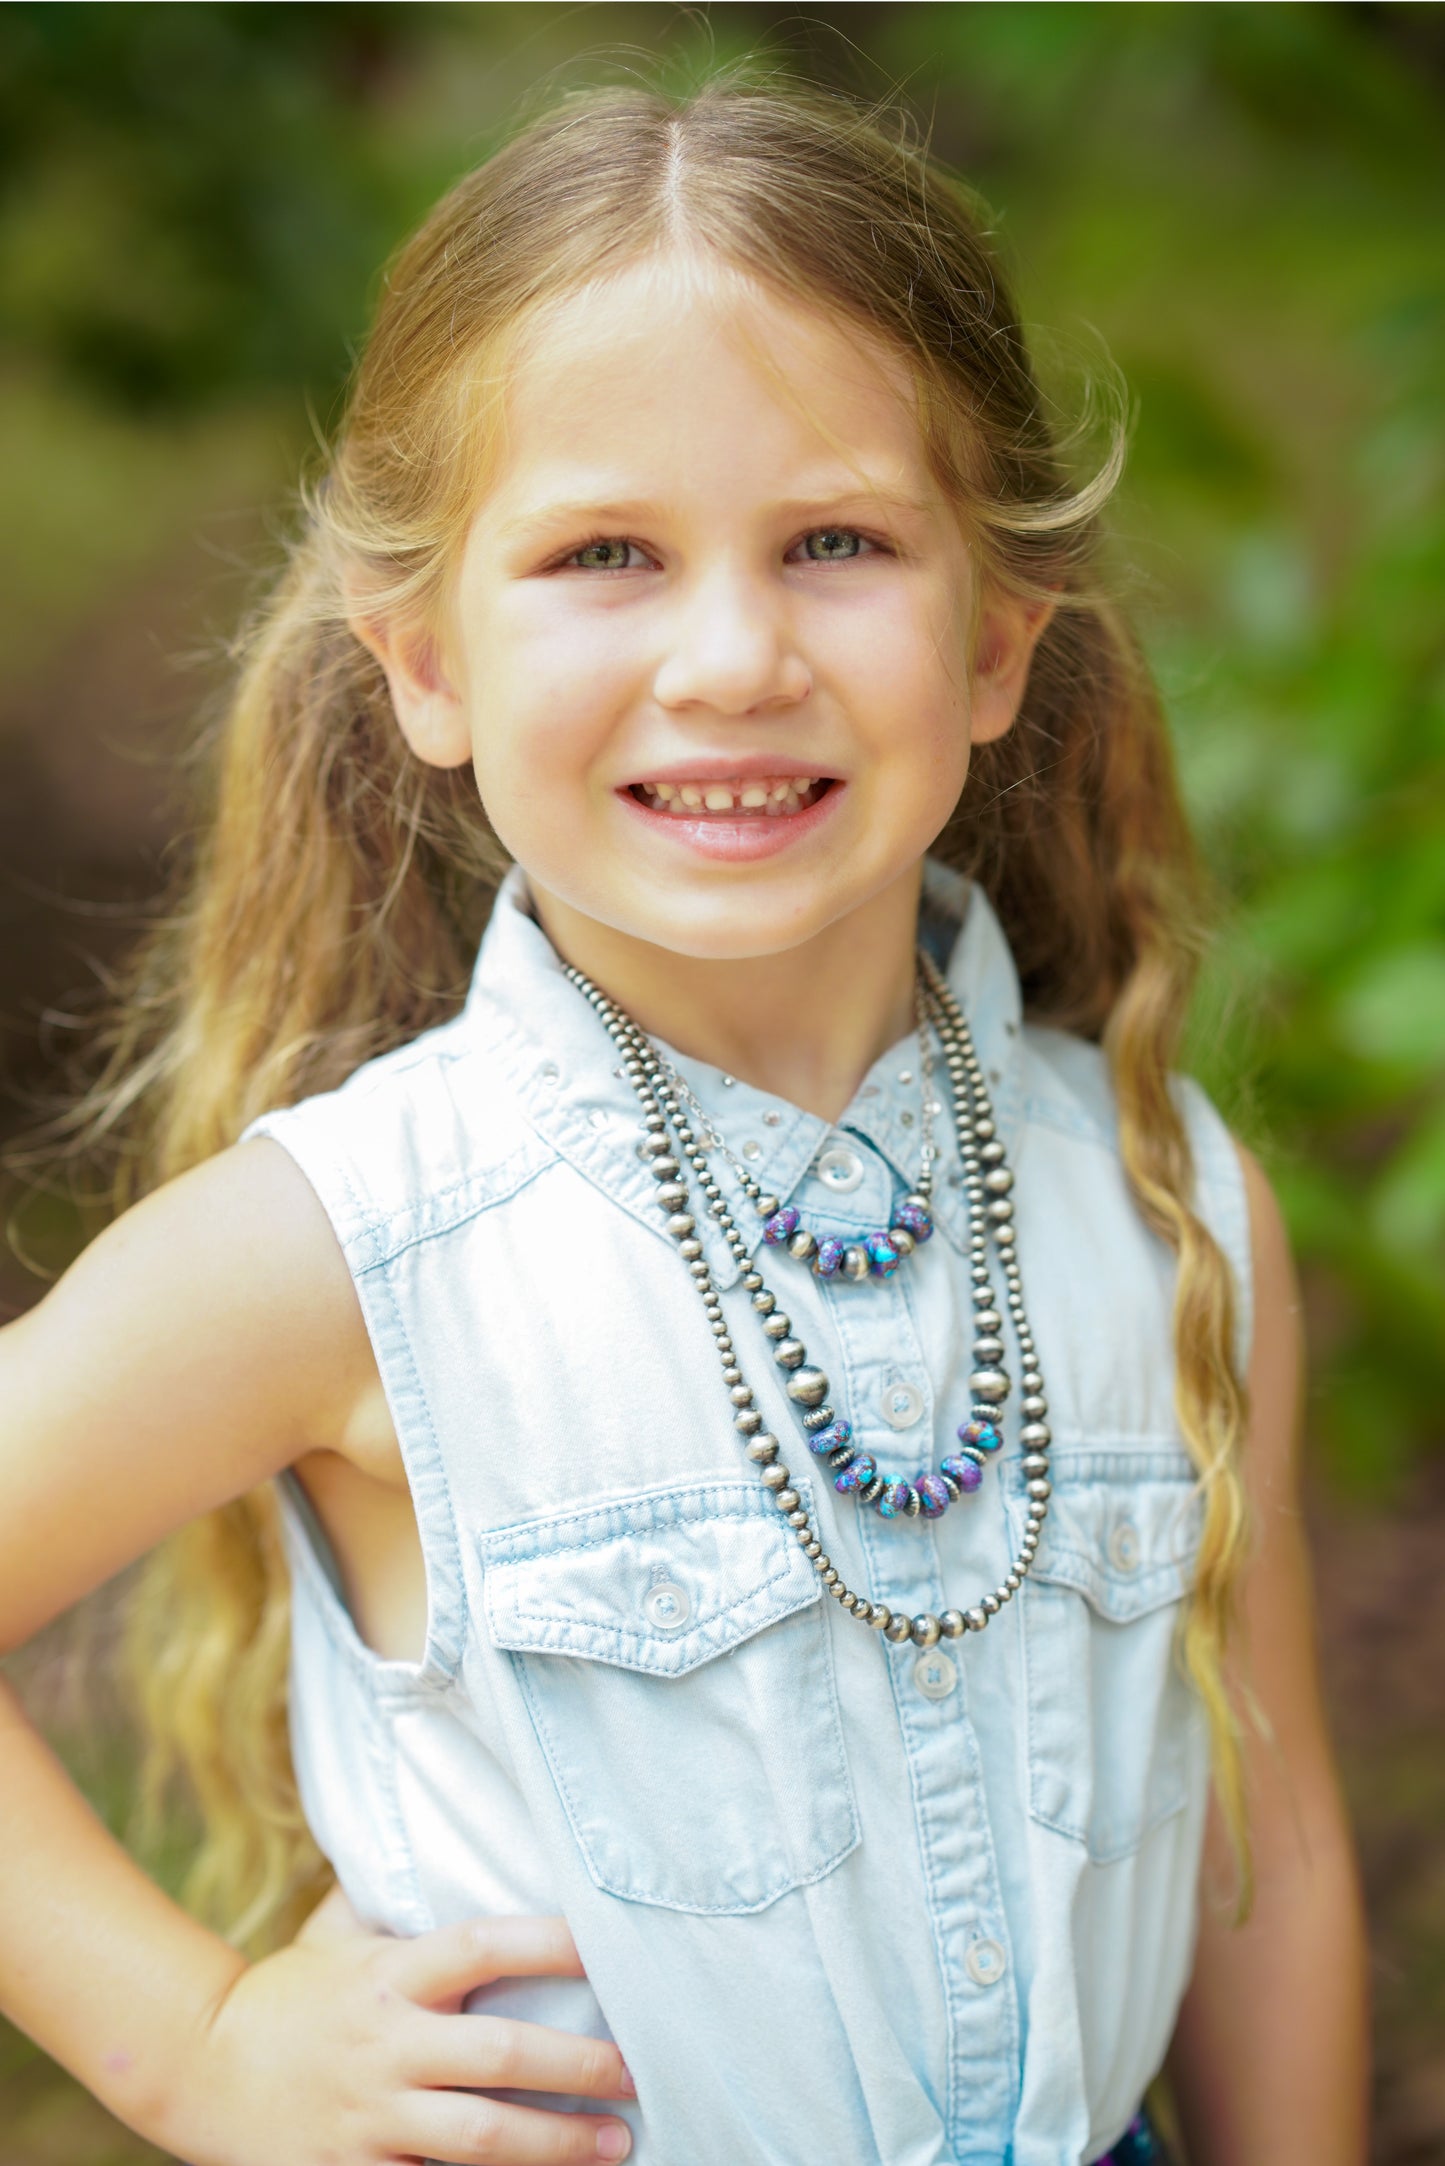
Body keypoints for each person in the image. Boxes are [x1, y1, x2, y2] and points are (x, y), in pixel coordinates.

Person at [0, 72, 1369, 2166]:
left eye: (834, 544)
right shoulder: (349, 1250)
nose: (731, 657)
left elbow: (1258, 1838)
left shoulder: (1170, 1203)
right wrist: (193, 2043)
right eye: (604, 557)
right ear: (424, 664)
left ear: (997, 637)